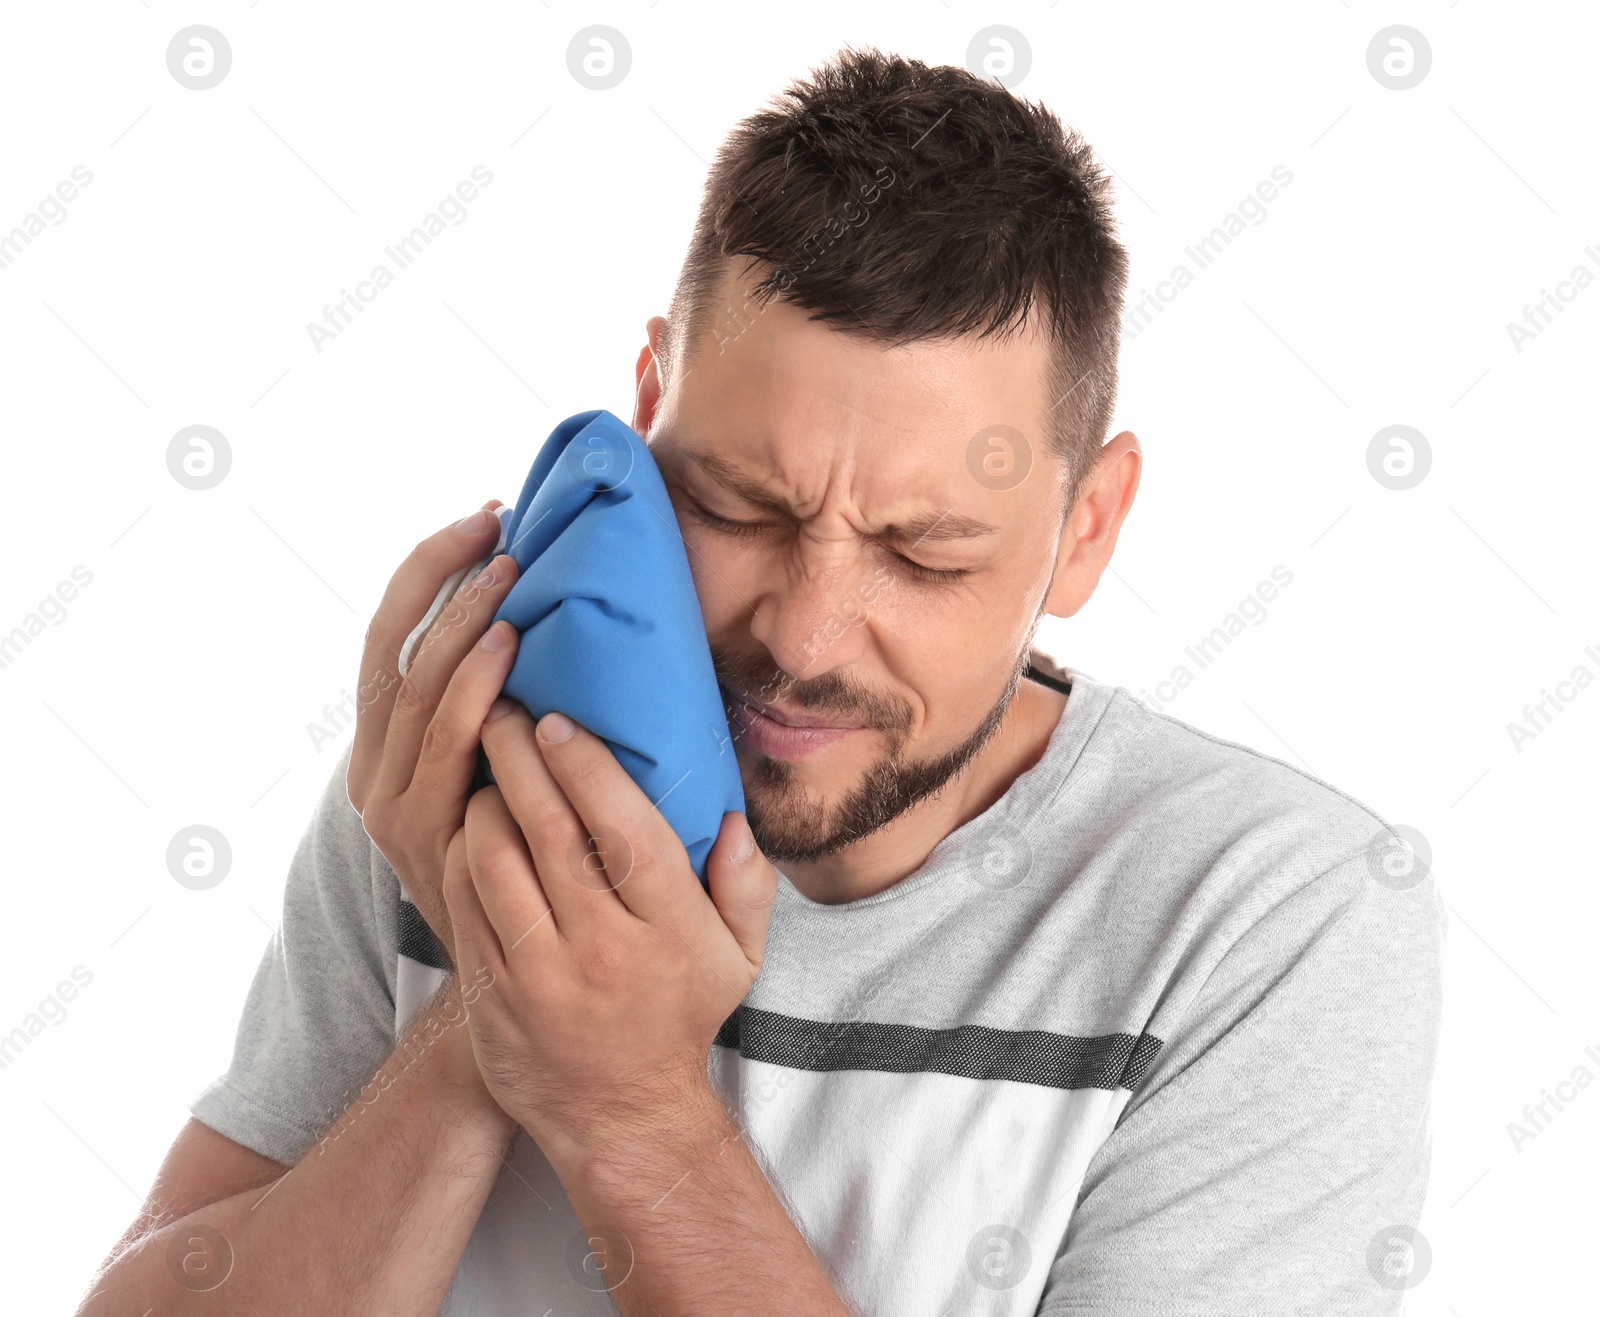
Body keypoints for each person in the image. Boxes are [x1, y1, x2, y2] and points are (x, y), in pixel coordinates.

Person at [76, 45, 1444, 1316]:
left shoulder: (1275, 918)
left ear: (1087, 526)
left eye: (922, 550)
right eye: (737, 504)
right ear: (648, 396)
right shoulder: (480, 769)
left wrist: (628, 1107)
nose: (806, 635)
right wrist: (489, 1008)